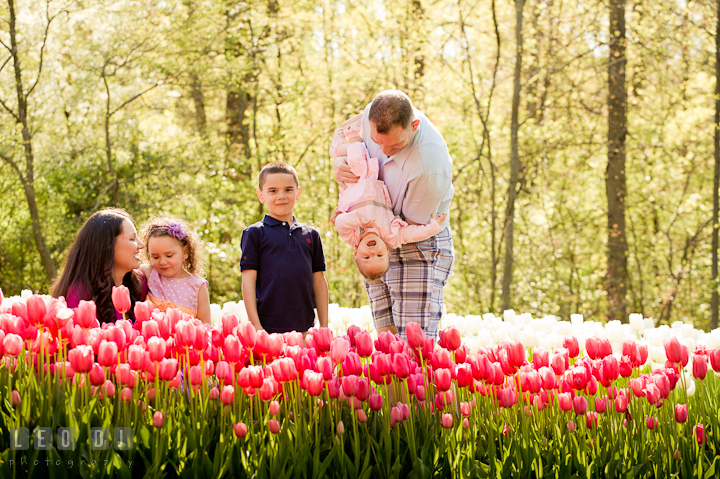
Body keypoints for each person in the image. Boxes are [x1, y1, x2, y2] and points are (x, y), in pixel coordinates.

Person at [333, 90, 454, 340]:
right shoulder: (371, 116)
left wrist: (364, 221)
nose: (385, 152)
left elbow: (410, 228)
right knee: (386, 337)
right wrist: (340, 167)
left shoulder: (428, 167)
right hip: (376, 238)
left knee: (413, 342)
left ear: (414, 125)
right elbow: (342, 140)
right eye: (378, 143)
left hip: (415, 242)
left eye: (395, 145)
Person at [329, 119, 446, 281]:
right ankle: (346, 139)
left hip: (353, 188)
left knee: (357, 157)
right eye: (379, 255)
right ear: (388, 250)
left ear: (356, 254)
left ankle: (343, 142)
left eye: (367, 258)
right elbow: (411, 234)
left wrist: (359, 220)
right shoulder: (391, 236)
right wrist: (433, 228)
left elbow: (340, 223)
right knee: (364, 155)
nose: (372, 252)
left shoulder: (354, 237)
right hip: (372, 184)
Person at [241, 161, 329, 333]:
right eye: (273, 191)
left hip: (305, 328)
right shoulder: (254, 234)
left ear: (298, 193)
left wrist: (324, 326)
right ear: (261, 195)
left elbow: (319, 281)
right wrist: (257, 328)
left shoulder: (311, 235)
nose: (281, 196)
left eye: (288, 190)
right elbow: (248, 281)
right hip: (268, 330)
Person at [52, 208, 147, 323]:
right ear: (108, 245)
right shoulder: (79, 293)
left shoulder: (140, 283)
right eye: (132, 239)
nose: (141, 245)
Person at [138, 217, 211, 323]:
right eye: (155, 257)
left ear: (185, 252)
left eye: (169, 255)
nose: (162, 262)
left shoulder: (198, 286)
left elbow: (205, 325)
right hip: (152, 338)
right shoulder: (150, 273)